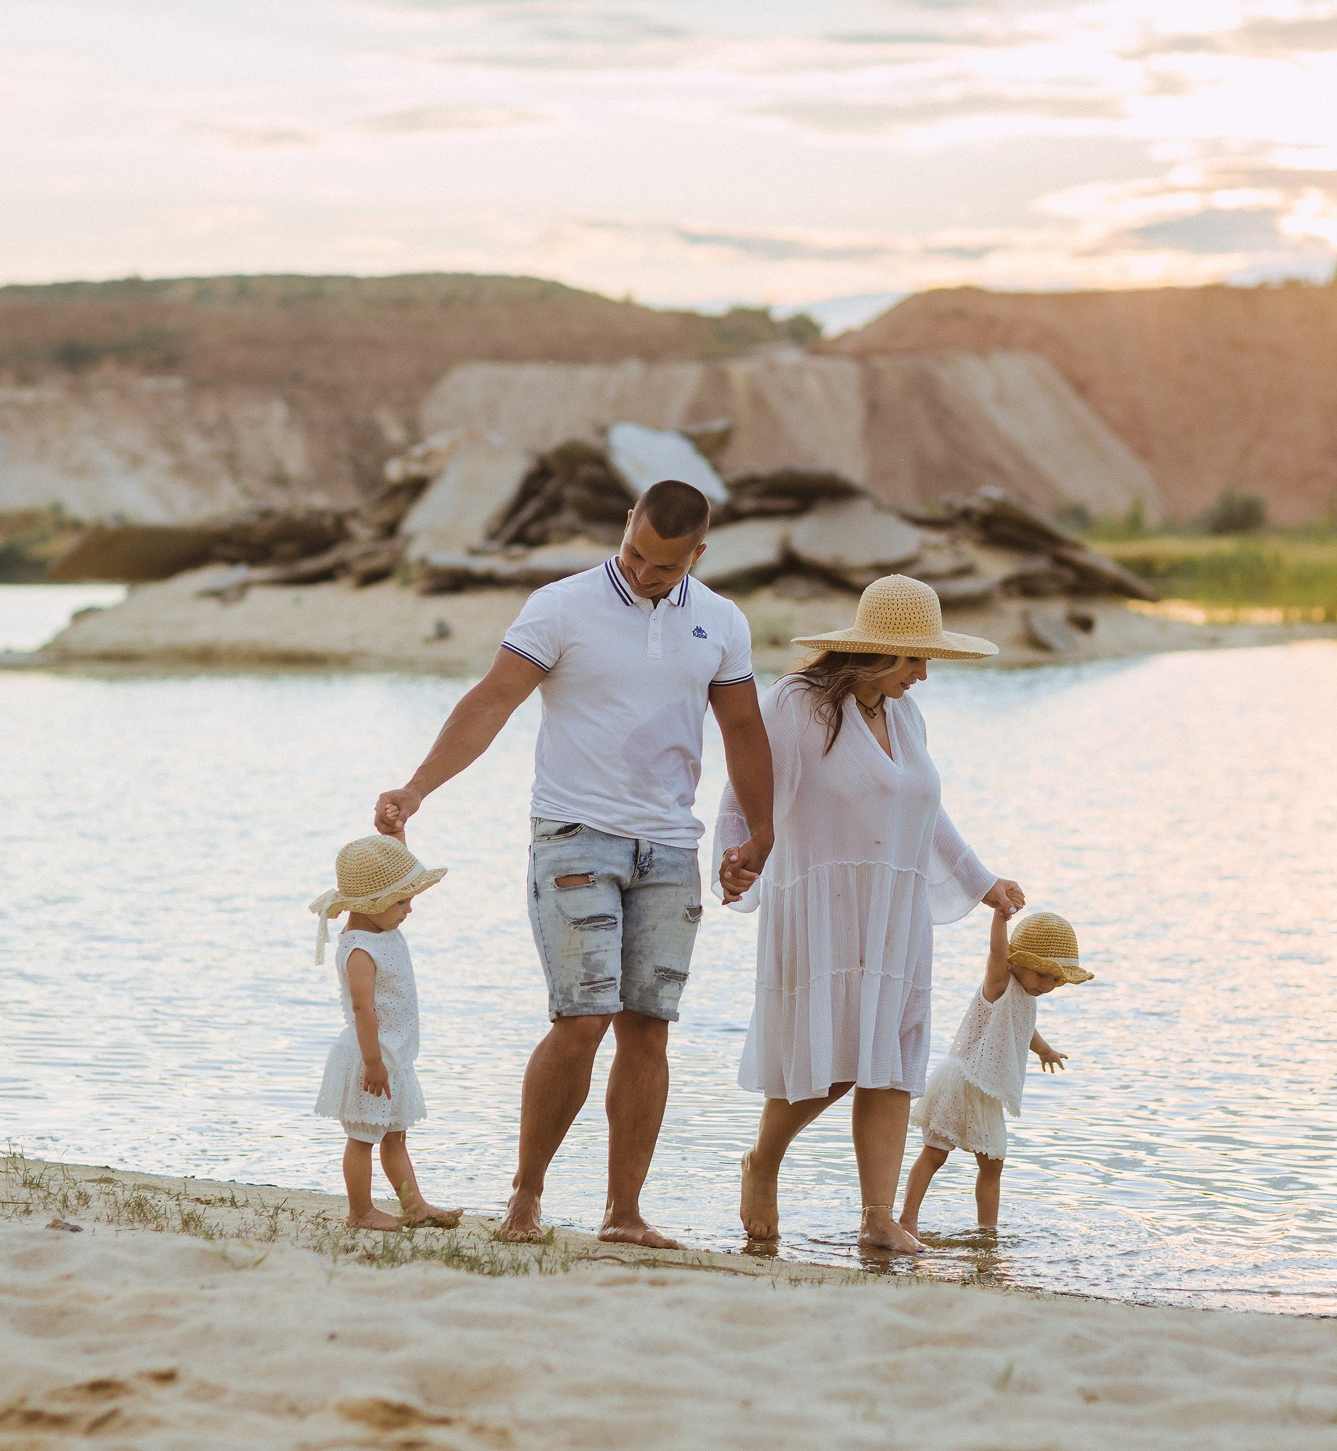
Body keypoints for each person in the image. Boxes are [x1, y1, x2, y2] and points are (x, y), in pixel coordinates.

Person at [374, 480, 774, 1248]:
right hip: (574, 836)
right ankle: (526, 1193)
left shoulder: (721, 621)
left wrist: (761, 834)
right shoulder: (561, 605)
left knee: (648, 1027)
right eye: (635, 552)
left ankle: (624, 1213)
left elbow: (745, 729)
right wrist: (417, 786)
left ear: (698, 554)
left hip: (670, 847)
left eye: (664, 565)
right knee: (582, 1017)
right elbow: (493, 699)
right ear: (626, 526)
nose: (644, 573)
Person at [718, 573, 1024, 1254]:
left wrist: (982, 882)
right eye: (916, 658)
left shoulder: (905, 715)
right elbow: (748, 781)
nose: (923, 674)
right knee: (835, 1060)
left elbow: (924, 809)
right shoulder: (798, 704)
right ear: (880, 651)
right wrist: (739, 856)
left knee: (891, 1061)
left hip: (895, 910)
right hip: (823, 906)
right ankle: (763, 1162)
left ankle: (878, 1216)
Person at [899, 909, 1090, 1238]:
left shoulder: (1027, 999)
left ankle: (988, 1231)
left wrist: (1044, 1049)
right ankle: (907, 1219)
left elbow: (1023, 1028)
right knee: (935, 1153)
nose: (1047, 985)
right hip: (961, 1083)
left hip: (986, 1092)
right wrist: (1001, 917)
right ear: (1016, 963)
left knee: (993, 1163)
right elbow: (996, 952)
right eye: (1042, 975)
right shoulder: (999, 984)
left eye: (1055, 979)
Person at [309, 834, 462, 1233]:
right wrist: (373, 1062)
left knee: (396, 1137)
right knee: (362, 1137)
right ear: (372, 904)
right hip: (369, 1057)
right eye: (400, 902)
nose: (408, 909)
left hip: (395, 1057)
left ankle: (414, 1206)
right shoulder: (360, 948)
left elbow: (394, 866)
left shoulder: (383, 928)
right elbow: (363, 1009)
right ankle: (360, 1211)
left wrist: (395, 832)